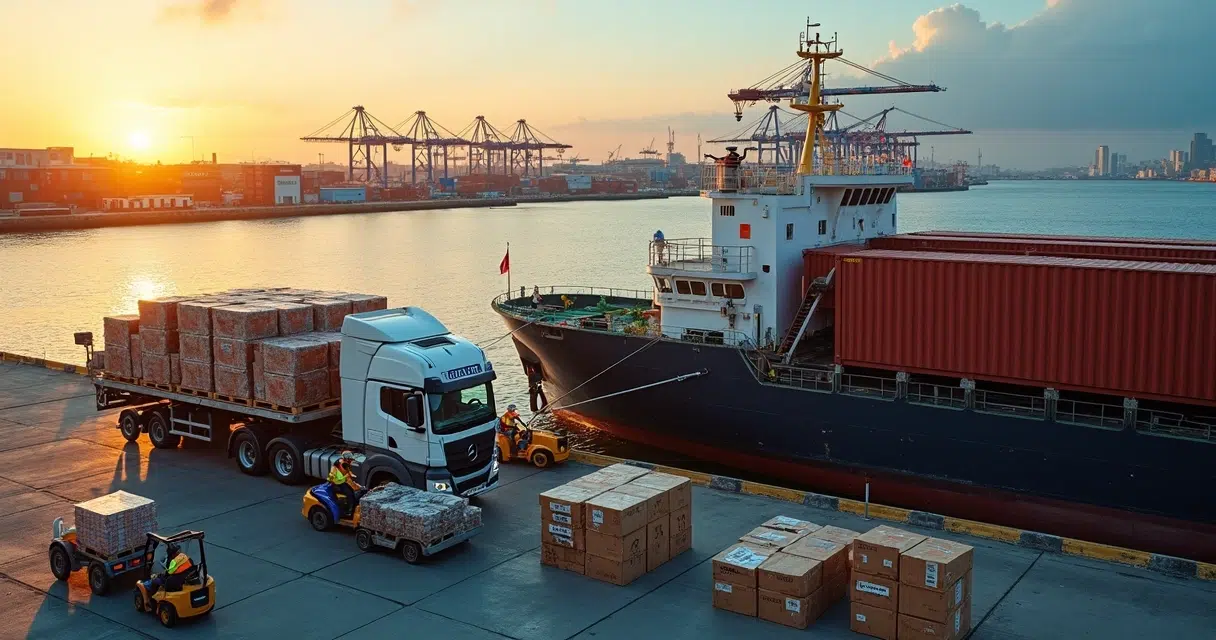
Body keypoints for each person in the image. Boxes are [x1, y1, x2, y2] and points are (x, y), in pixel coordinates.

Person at [327, 451, 361, 518]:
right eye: (350, 458)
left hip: (342, 482)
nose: (351, 460)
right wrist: (331, 479)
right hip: (337, 484)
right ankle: (348, 511)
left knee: (353, 492)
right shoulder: (337, 465)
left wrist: (352, 476)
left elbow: (348, 472)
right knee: (350, 494)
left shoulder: (345, 464)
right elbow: (333, 476)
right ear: (346, 458)